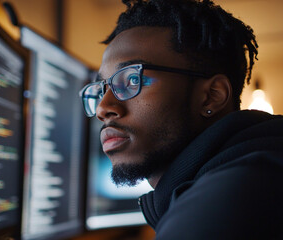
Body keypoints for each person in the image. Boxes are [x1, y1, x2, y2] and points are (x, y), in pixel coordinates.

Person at [79, 0, 283, 239]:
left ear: (211, 96)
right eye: (101, 89)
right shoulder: (254, 167)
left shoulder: (228, 201)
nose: (104, 107)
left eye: (133, 80)